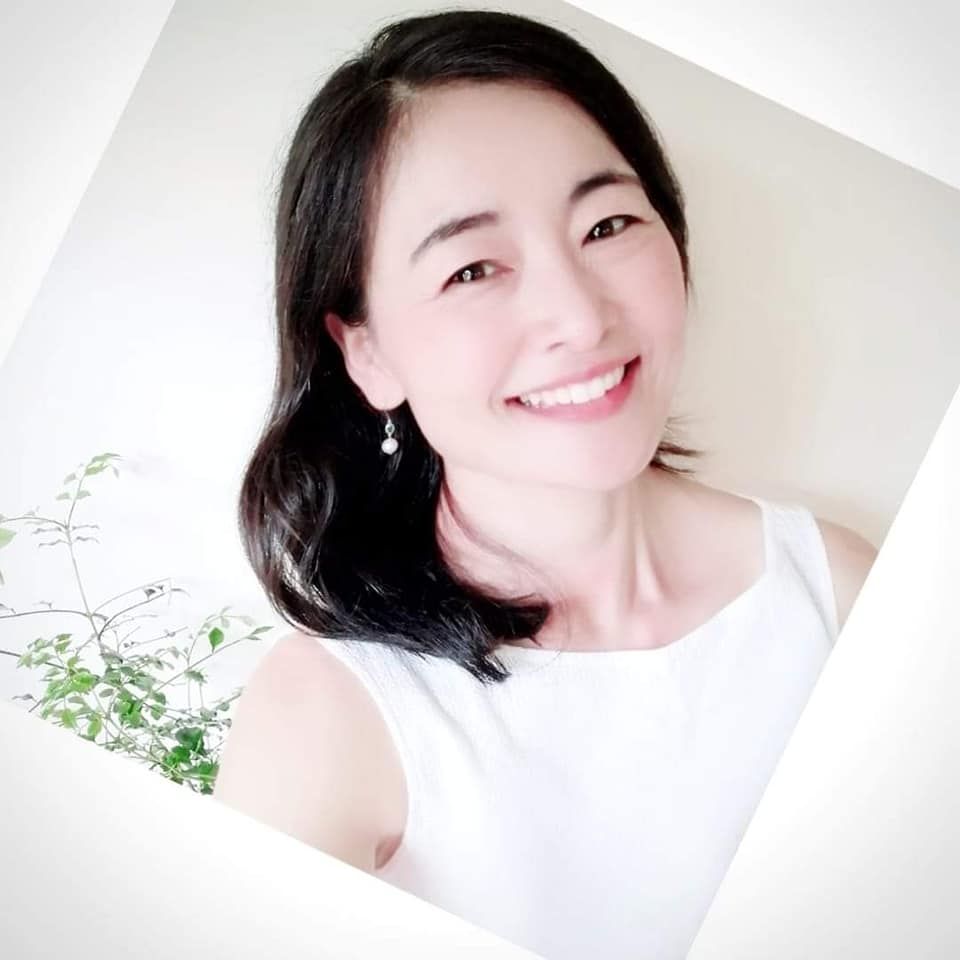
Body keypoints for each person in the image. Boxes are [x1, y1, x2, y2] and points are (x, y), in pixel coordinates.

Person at [213, 9, 876, 959]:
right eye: (473, 268)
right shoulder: (330, 714)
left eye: (607, 224)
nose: (578, 315)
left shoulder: (834, 588)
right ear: (365, 351)